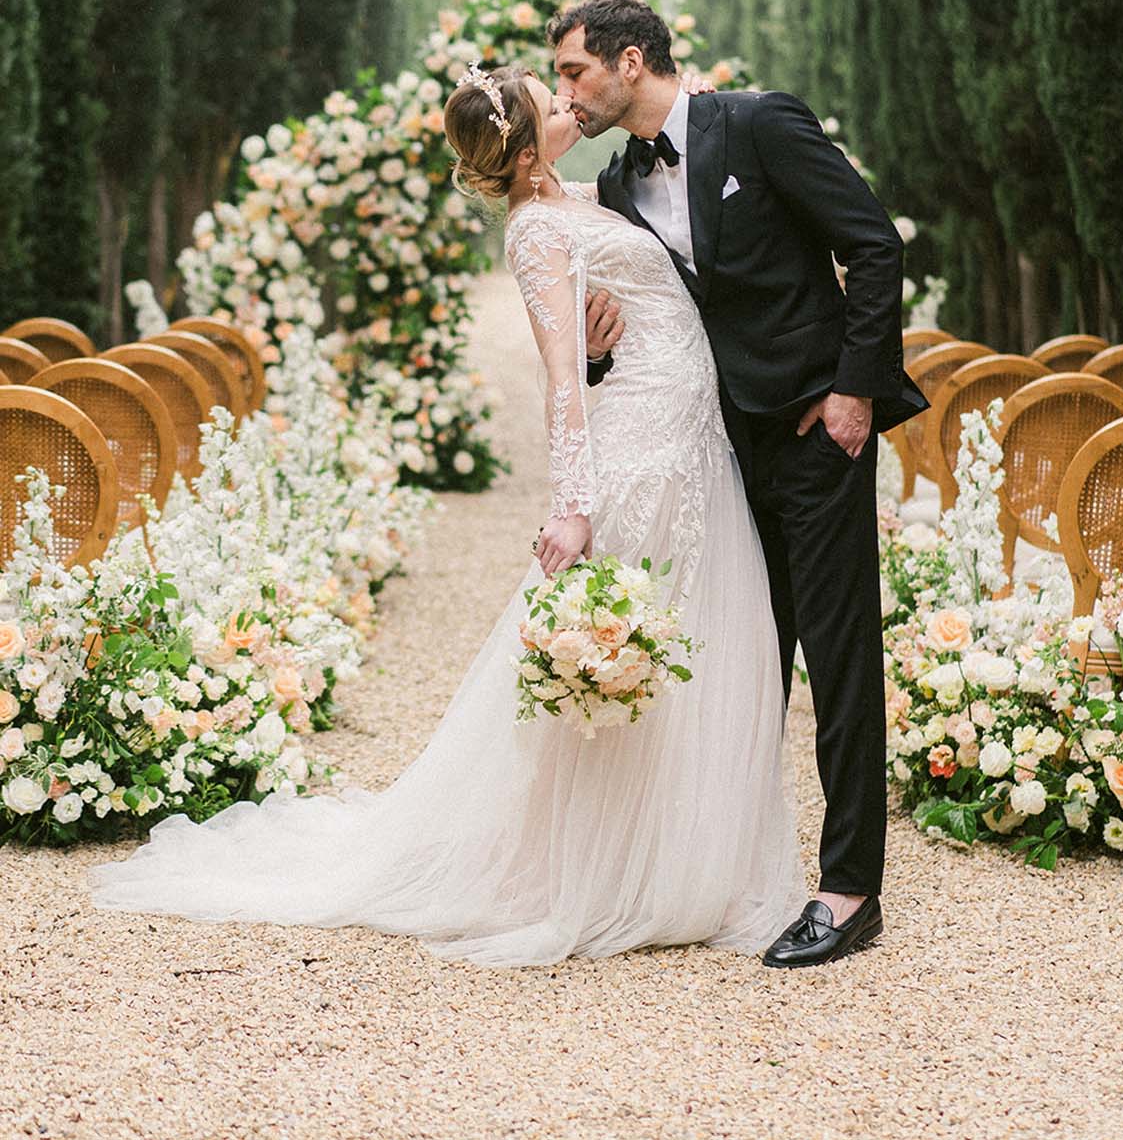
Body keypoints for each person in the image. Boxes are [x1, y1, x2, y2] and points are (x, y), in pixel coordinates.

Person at [90, 64, 796, 967]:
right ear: (529, 137)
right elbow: (555, 380)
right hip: (643, 450)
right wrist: (572, 507)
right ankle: (604, 866)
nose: (568, 104)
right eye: (552, 100)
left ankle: (678, 846)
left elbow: (664, 221)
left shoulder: (581, 197)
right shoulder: (536, 229)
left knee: (694, 633)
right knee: (642, 635)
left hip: (689, 430)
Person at [550, 0, 927, 968]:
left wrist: (852, 396)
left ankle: (849, 891)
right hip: (718, 453)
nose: (567, 93)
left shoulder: (759, 124)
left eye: (573, 72)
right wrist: (597, 357)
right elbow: (652, 327)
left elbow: (873, 242)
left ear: (631, 59)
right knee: (746, 660)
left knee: (840, 659)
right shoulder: (618, 186)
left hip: (813, 433)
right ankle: (731, 871)